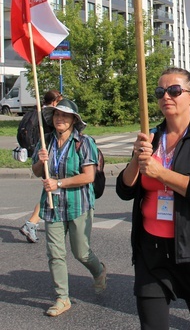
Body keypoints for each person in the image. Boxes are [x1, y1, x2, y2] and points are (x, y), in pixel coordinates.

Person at [116, 68, 190, 330]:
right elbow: (125, 190)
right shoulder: (151, 138)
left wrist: (161, 173)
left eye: (174, 91)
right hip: (152, 252)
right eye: (160, 92)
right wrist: (137, 157)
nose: (166, 96)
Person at [31, 98, 106, 317]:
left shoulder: (83, 142)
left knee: (81, 252)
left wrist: (59, 183)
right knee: (55, 254)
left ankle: (99, 271)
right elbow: (37, 171)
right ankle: (62, 298)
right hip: (52, 205)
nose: (59, 119)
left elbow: (89, 176)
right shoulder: (46, 142)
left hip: (78, 203)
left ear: (74, 119)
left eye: (64, 115)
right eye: (56, 115)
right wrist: (39, 160)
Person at [19, 90, 62, 243]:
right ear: (55, 101)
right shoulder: (47, 116)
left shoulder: (38, 112)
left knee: (48, 190)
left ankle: (32, 223)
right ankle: (31, 223)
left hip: (39, 153)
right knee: (49, 191)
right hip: (46, 156)